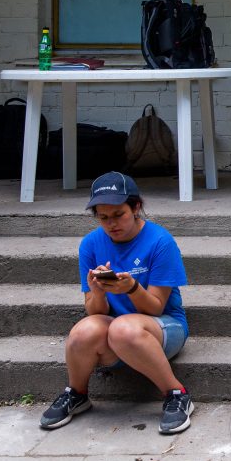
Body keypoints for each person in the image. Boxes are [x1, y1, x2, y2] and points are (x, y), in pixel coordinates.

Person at [39, 172, 192, 434]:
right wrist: (98, 291)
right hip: (117, 335)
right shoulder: (90, 244)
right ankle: (77, 394)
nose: (112, 224)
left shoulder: (160, 241)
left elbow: (156, 306)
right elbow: (94, 312)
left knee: (123, 328)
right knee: (82, 332)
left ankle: (177, 394)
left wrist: (131, 288)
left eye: (118, 214)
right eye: (103, 217)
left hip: (163, 328)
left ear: (136, 208)